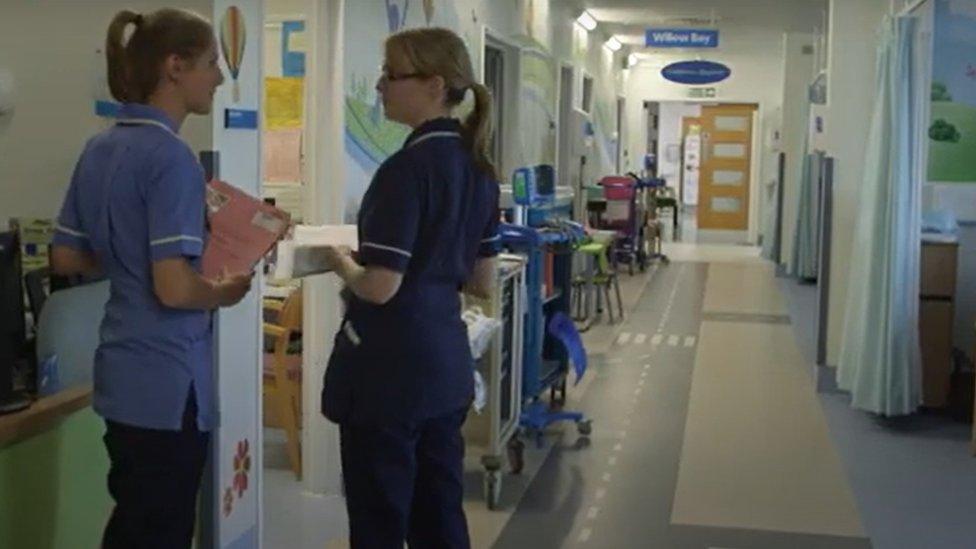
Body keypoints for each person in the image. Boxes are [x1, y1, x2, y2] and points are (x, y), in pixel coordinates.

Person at [50, 9, 252, 549]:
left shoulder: (99, 148)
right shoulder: (173, 159)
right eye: (211, 64)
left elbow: (66, 258)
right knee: (160, 529)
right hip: (168, 384)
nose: (219, 77)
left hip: (120, 375)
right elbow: (174, 289)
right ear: (175, 66)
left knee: (134, 520)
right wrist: (226, 291)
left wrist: (127, 257)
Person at [321, 27, 500, 548]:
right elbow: (482, 281)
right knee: (439, 516)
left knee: (380, 521)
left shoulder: (405, 171)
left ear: (433, 84)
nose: (380, 87)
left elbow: (379, 288)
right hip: (444, 368)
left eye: (391, 76)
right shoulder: (480, 168)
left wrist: (340, 264)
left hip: (389, 377)